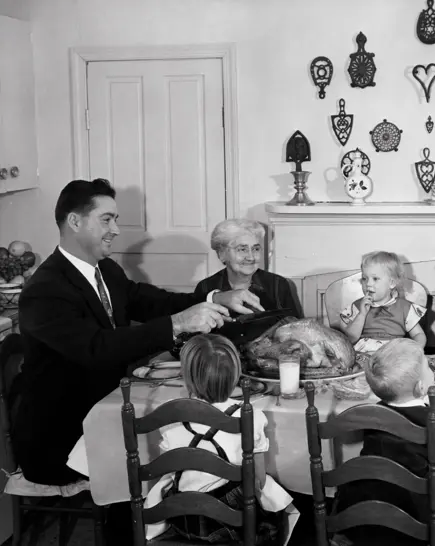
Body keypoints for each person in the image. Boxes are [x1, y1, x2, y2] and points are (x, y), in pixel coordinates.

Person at [12, 178, 265, 486]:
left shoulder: (105, 270)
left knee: (191, 440)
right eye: (106, 219)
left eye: (115, 220)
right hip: (63, 437)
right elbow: (96, 348)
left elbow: (154, 302)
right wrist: (179, 323)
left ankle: (189, 516)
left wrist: (216, 297)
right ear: (74, 221)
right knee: (187, 448)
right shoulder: (45, 290)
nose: (116, 230)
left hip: (109, 411)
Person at [334, 338, 435, 546]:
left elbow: (397, 465)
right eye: (427, 366)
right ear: (421, 386)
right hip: (415, 528)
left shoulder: (371, 414)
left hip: (364, 522)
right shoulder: (434, 422)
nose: (432, 368)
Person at [144, 334, 292, 544]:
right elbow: (258, 478)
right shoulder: (250, 415)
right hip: (231, 523)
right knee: (276, 512)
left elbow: (170, 468)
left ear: (187, 375)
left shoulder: (170, 416)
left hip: (183, 520)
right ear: (236, 376)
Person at [194, 219, 302, 318]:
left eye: (256, 249)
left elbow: (295, 329)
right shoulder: (206, 288)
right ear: (221, 254)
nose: (251, 257)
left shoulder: (278, 285)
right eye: (242, 249)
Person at [338, 251, 427, 352]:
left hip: (393, 353)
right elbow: (350, 339)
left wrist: (415, 350)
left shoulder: (404, 308)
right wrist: (362, 314)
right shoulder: (357, 307)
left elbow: (418, 334)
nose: (368, 284)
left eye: (375, 279)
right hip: (364, 354)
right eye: (364, 278)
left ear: (392, 283)